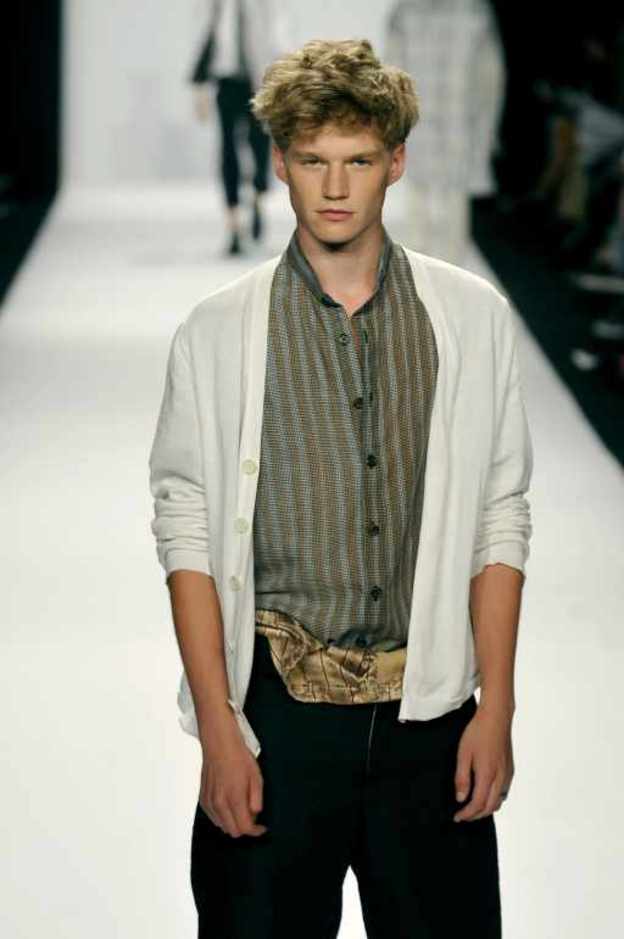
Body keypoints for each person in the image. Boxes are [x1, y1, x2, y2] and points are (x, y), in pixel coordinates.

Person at [148, 37, 534, 938]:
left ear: (395, 162)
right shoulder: (216, 332)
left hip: (429, 720)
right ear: (280, 162)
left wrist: (498, 709)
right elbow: (186, 530)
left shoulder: (471, 319)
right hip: (276, 724)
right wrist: (219, 730)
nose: (333, 187)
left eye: (357, 161)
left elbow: (499, 517)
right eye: (312, 160)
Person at [188, 0, 291, 256]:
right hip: (226, 79)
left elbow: (279, 32)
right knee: (228, 150)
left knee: (259, 144)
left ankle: (257, 198)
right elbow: (205, 34)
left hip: (260, 79)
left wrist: (283, 77)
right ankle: (233, 224)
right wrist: (199, 86)